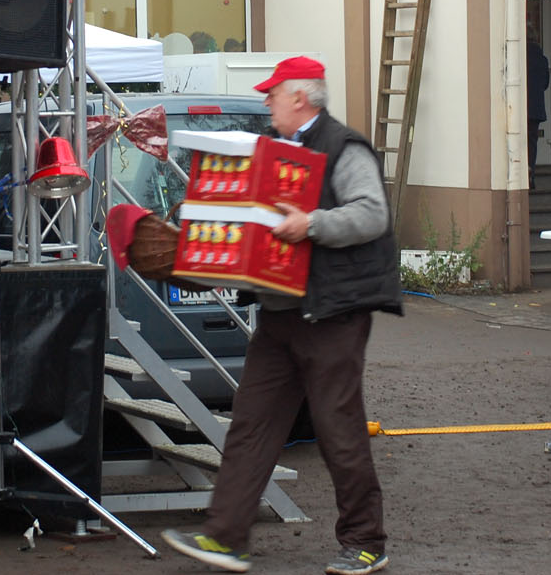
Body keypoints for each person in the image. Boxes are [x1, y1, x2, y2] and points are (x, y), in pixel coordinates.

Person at [161, 55, 401, 575]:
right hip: (279, 312)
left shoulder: (345, 147)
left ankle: (366, 542)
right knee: (250, 425)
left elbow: (372, 214)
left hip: (332, 313)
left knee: (338, 430)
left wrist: (310, 224)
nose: (267, 101)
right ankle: (225, 538)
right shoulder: (273, 147)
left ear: (300, 97)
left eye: (273, 93)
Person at [526, 25, 549, 190]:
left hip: (521, 106)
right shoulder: (542, 59)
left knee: (518, 143)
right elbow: (545, 83)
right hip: (536, 108)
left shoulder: (519, 55)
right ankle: (530, 174)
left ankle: (521, 177)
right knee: (532, 143)